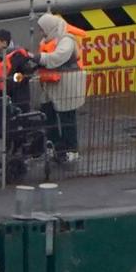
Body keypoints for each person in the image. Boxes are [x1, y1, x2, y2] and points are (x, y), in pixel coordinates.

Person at [35, 13, 85, 162]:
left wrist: (39, 58)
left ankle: (72, 149)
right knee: (47, 113)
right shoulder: (47, 40)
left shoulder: (66, 40)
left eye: (42, 29)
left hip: (67, 84)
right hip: (51, 84)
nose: (41, 32)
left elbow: (58, 57)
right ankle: (55, 145)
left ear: (49, 27)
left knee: (67, 117)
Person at [0, 29, 32, 111]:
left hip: (19, 97)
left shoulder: (17, 56)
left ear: (4, 43)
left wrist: (13, 81)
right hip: (3, 95)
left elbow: (27, 73)